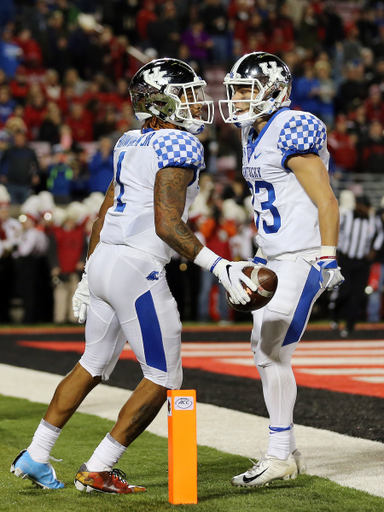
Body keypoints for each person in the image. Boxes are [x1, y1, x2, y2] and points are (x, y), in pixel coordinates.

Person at [11, 57, 258, 493]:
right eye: (187, 95)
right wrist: (219, 266)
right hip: (137, 266)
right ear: (160, 104)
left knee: (91, 363)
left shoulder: (128, 141)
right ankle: (99, 468)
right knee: (164, 378)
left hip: (107, 256)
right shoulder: (179, 145)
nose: (197, 103)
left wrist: (89, 274)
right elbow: (167, 223)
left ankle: (36, 454)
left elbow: (104, 211)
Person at [219, 51, 344, 487]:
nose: (236, 99)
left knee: (270, 351)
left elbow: (326, 199)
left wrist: (327, 256)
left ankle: (279, 455)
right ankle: (284, 450)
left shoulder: (292, 126)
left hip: (300, 256)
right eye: (234, 90)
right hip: (272, 256)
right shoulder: (254, 131)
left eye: (245, 90)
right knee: (266, 352)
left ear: (274, 91)